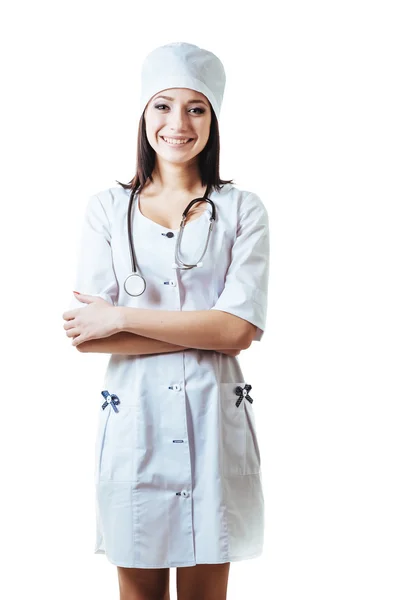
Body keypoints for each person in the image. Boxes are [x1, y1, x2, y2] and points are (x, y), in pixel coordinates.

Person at [63, 41, 270, 600]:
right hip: (138, 423)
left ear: (214, 120)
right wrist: (200, 326)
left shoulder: (241, 209)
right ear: (143, 114)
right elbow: (86, 335)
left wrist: (122, 319)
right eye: (163, 105)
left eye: (196, 108)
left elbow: (237, 332)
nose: (178, 123)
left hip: (211, 423)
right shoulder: (107, 208)